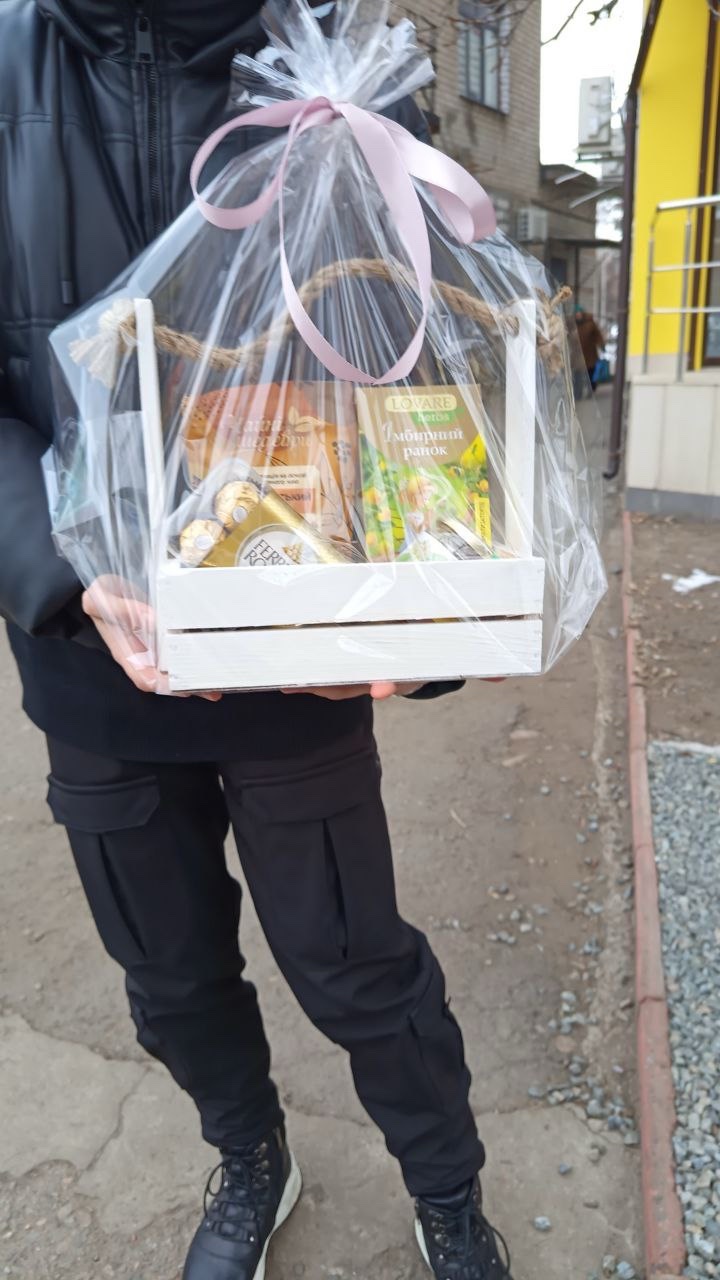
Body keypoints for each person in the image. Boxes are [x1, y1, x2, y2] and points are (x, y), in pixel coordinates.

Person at [0, 3, 513, 1278]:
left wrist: (429, 618)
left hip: (297, 656)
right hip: (90, 660)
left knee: (357, 968)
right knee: (171, 978)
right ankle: (251, 1154)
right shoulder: (6, 65)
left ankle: (447, 1189)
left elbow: (436, 374)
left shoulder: (338, 75)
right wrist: (54, 565)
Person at [575, 304, 606, 395]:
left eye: (579, 313)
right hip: (577, 355)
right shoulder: (573, 325)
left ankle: (591, 390)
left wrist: (601, 345)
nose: (578, 315)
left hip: (590, 353)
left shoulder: (590, 323)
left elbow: (597, 335)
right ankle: (578, 392)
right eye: (576, 314)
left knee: (590, 372)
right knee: (577, 374)